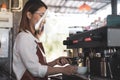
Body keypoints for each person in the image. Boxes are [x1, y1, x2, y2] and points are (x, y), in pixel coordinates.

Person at [13, 0, 77, 80]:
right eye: (41, 15)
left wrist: (55, 62)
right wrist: (62, 70)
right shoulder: (24, 38)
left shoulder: (31, 38)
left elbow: (38, 66)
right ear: (29, 15)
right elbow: (35, 70)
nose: (44, 21)